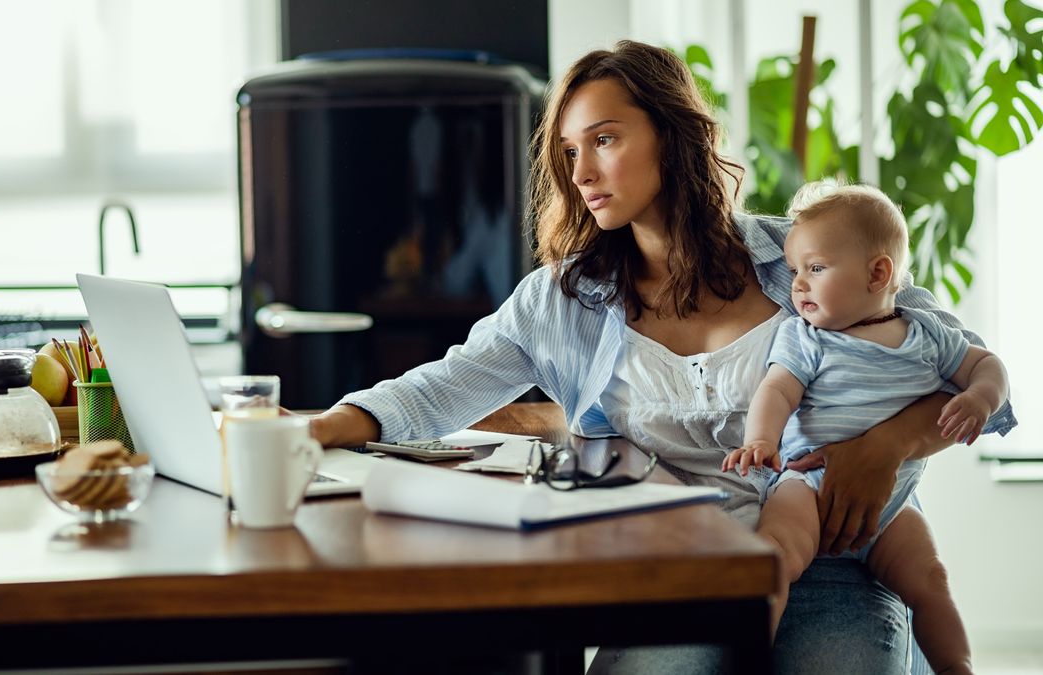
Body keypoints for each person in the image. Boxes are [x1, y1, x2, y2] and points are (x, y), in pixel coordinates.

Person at [306, 40, 1016, 673]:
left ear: (673, 137)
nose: (582, 170)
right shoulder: (559, 300)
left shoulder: (802, 257)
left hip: (836, 563)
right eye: (570, 152)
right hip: (679, 569)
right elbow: (439, 390)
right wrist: (315, 427)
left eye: (604, 139)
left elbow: (969, 372)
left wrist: (887, 444)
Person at [722, 181, 1008, 675]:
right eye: (794, 271)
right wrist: (762, 440)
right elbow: (777, 391)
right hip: (806, 485)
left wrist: (980, 395)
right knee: (776, 559)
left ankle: (957, 667)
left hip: (891, 503)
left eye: (815, 268)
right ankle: (746, 659)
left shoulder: (928, 334)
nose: (798, 285)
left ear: (878, 273)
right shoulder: (806, 337)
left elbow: (988, 366)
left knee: (930, 580)